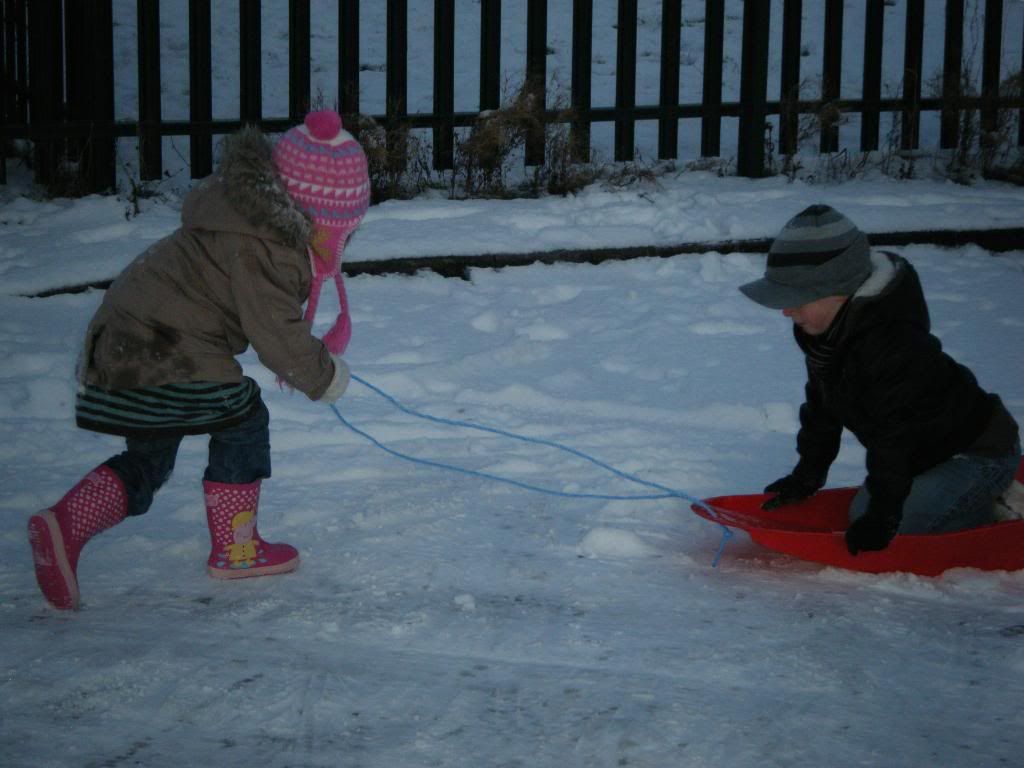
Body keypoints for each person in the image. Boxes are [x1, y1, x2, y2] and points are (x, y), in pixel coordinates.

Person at [27, 110, 370, 609]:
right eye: (342, 230)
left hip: (123, 346)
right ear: (314, 214)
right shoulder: (265, 246)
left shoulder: (240, 220)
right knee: (244, 418)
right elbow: (275, 334)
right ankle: (237, 548)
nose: (341, 243)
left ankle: (65, 525)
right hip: (171, 345)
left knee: (149, 457)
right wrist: (325, 376)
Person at [739, 204, 1020, 555]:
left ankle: (999, 504)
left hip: (978, 451)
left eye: (796, 299)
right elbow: (822, 404)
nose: (785, 310)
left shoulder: (893, 345)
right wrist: (809, 472)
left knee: (899, 528)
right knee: (862, 513)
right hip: (923, 455)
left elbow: (896, 435)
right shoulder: (828, 332)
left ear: (839, 291)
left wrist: (885, 516)